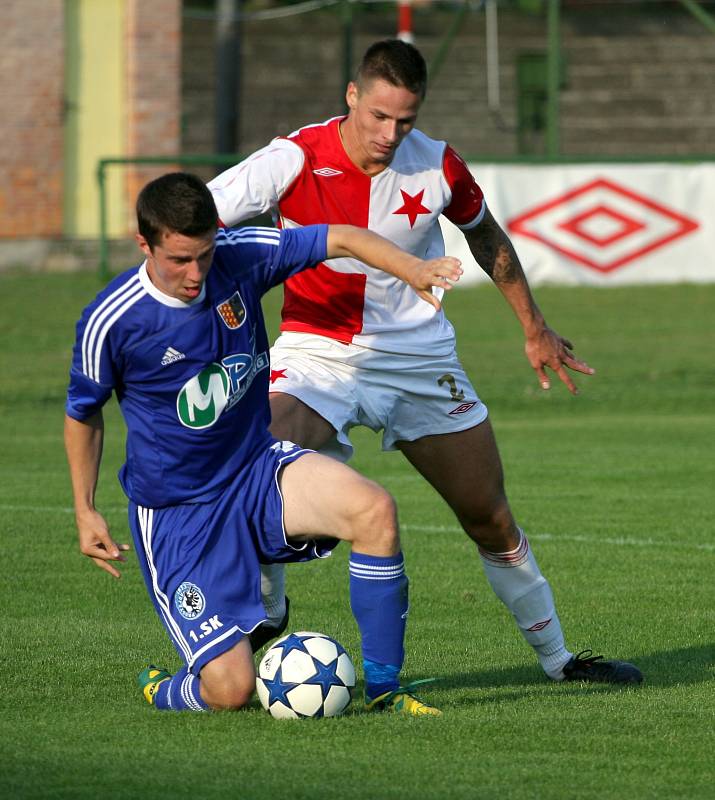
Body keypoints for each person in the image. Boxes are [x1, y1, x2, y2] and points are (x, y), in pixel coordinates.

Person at [208, 40, 642, 684]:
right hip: (317, 351)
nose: (390, 134)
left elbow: (485, 234)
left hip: (419, 357)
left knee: (489, 516)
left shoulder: (438, 165)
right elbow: (198, 222)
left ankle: (558, 661)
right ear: (352, 97)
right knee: (256, 460)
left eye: (405, 120)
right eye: (378, 116)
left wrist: (535, 328)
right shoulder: (292, 157)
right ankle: (268, 608)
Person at [64, 171, 465, 715]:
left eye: (203, 254)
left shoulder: (240, 255)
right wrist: (85, 509)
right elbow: (83, 413)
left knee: (373, 511)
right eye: (179, 259)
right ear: (145, 243)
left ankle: (386, 688)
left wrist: (414, 268)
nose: (195, 272)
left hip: (256, 466)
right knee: (229, 692)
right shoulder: (112, 320)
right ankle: (166, 687)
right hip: (180, 512)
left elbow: (342, 236)